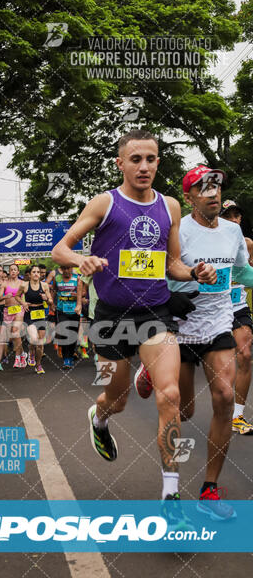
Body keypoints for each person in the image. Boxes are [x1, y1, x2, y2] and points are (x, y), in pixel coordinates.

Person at [52, 130, 216, 517]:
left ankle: (171, 495)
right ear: (120, 163)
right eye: (136, 159)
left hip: (155, 314)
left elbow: (170, 263)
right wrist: (82, 261)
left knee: (170, 396)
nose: (144, 166)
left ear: (159, 162)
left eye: (151, 159)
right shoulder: (105, 203)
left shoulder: (171, 206)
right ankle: (100, 415)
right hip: (110, 317)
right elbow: (60, 249)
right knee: (118, 399)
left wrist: (194, 272)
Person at [135, 167, 253, 519]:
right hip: (179, 326)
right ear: (189, 198)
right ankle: (151, 371)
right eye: (203, 188)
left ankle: (209, 490)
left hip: (218, 322)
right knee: (184, 411)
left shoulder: (233, 231)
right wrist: (168, 298)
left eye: (216, 187)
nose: (212, 193)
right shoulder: (177, 230)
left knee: (225, 396)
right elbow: (148, 268)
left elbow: (242, 272)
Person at [220, 200, 253, 434]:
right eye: (229, 216)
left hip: (238, 306)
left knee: (246, 354)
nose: (234, 220)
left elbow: (249, 274)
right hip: (212, 308)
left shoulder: (248, 244)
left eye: (237, 215)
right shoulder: (208, 241)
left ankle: (238, 416)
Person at [15, 265, 53, 374]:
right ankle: (31, 350)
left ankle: (38, 364)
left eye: (38, 272)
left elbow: (50, 300)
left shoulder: (45, 285)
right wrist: (23, 303)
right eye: (34, 272)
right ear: (30, 274)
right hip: (29, 313)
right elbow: (17, 296)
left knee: (40, 343)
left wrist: (47, 299)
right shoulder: (24, 285)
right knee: (34, 339)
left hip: (40, 313)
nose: (36, 274)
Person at [0, 263, 27, 368]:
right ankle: (22, 353)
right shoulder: (4, 284)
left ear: (18, 272)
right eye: (11, 270)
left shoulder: (23, 283)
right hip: (8, 310)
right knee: (14, 336)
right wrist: (5, 296)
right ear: (9, 272)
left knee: (15, 331)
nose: (13, 271)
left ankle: (18, 358)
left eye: (15, 270)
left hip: (19, 309)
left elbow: (28, 295)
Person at [52, 265, 82, 369]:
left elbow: (80, 293)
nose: (66, 270)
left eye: (68, 268)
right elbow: (54, 290)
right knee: (64, 334)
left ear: (71, 269)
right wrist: (51, 303)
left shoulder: (77, 278)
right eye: (64, 268)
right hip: (61, 310)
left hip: (74, 310)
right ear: (61, 269)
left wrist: (79, 305)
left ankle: (71, 354)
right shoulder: (57, 278)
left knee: (73, 334)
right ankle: (66, 359)